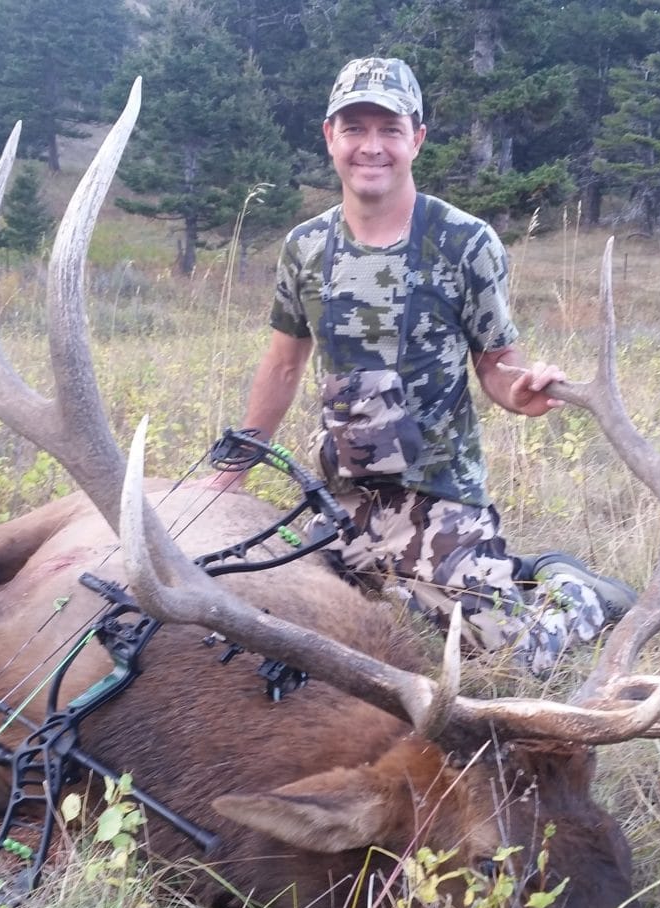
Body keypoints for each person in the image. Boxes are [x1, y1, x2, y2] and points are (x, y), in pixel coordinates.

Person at [212, 56, 636, 674]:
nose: (371, 146)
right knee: (273, 627)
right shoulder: (305, 246)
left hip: (439, 498)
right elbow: (282, 365)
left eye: (390, 129)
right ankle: (484, 572)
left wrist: (520, 392)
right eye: (354, 128)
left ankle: (573, 588)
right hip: (343, 500)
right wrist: (232, 472)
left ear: (416, 139)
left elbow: (496, 363)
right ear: (330, 137)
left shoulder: (465, 243)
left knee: (510, 657)